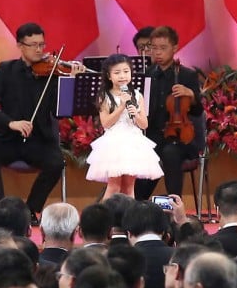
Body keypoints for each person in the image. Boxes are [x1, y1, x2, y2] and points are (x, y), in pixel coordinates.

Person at [0, 22, 84, 219]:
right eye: (33, 45)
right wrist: (10, 123)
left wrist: (70, 81)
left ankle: (30, 210)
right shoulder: (6, 70)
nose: (39, 50)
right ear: (20, 46)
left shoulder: (52, 73)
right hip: (9, 139)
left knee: (56, 162)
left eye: (42, 44)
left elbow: (61, 112)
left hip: (39, 141)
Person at [134, 26, 203, 201]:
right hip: (153, 136)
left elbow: (198, 111)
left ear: (174, 48)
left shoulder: (187, 75)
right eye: (154, 48)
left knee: (170, 153)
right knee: (145, 156)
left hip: (181, 138)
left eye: (163, 48)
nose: (157, 52)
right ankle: (138, 204)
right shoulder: (147, 75)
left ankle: (175, 203)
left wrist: (191, 95)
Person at [85, 54, 163, 198]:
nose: (122, 76)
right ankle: (104, 213)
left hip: (133, 142)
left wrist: (136, 114)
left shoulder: (137, 95)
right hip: (114, 143)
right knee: (114, 186)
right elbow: (106, 123)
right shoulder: (105, 96)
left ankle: (129, 213)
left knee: (129, 187)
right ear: (109, 76)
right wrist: (121, 107)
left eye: (126, 71)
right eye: (117, 72)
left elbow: (144, 124)